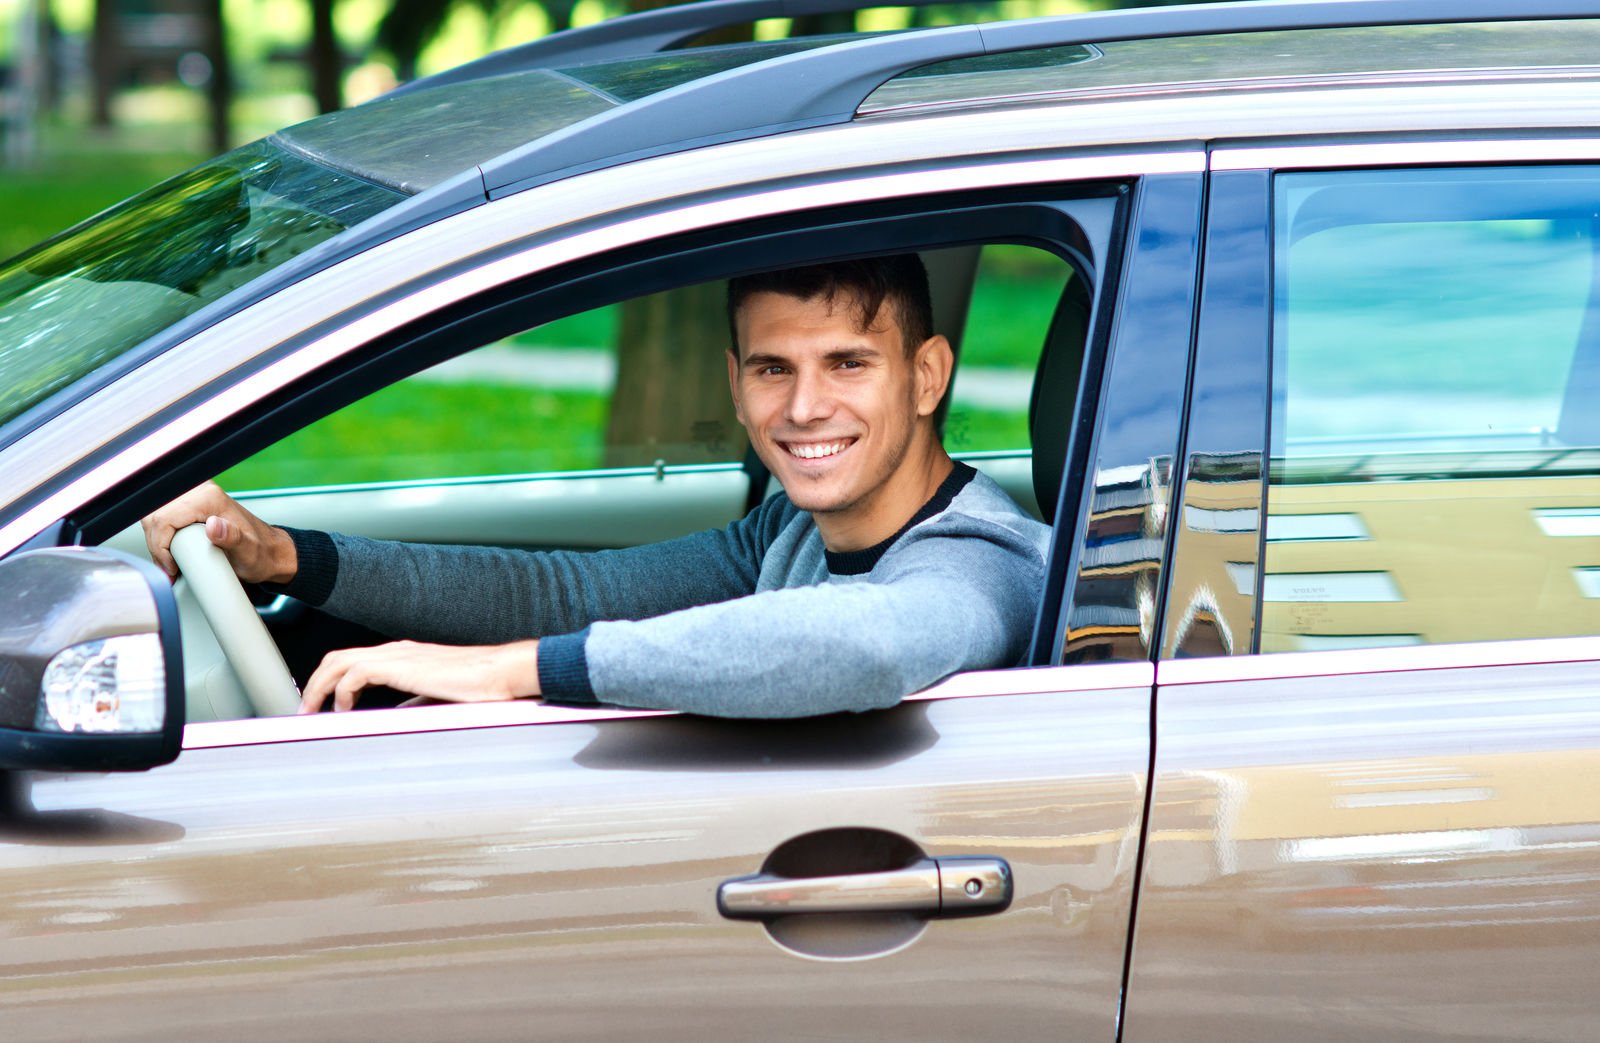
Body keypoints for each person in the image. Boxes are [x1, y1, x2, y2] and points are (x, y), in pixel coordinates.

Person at [142, 255, 1050, 718]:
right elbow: (570, 591)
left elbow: (867, 649)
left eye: (848, 363)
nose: (806, 407)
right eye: (774, 369)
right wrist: (282, 556)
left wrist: (510, 671)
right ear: (735, 385)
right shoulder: (789, 534)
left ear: (926, 377)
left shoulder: (984, 560)